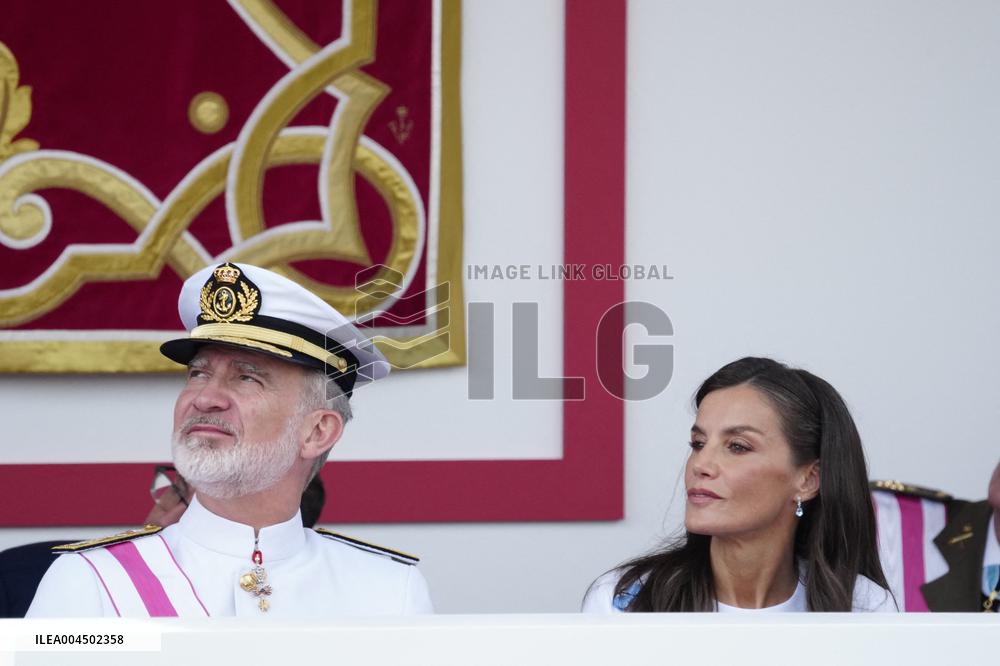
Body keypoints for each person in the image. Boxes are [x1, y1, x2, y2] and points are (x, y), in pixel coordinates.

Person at [27, 262, 433, 617]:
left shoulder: (387, 591)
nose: (204, 398)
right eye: (198, 373)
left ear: (317, 431)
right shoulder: (92, 581)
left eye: (247, 377)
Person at [583, 357, 895, 612]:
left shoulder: (863, 607)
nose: (701, 465)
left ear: (809, 480)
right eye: (698, 443)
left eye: (737, 446)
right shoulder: (623, 601)